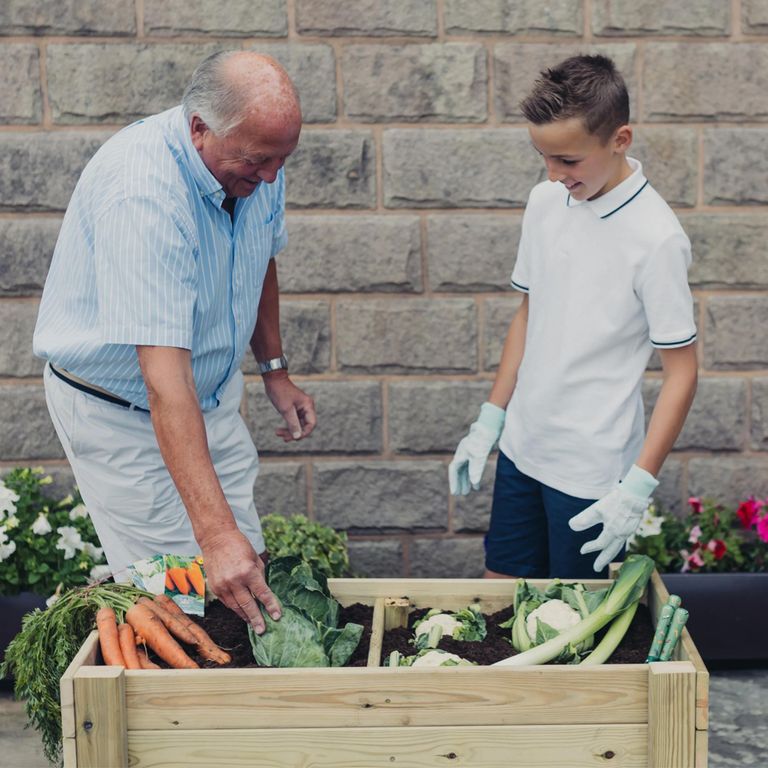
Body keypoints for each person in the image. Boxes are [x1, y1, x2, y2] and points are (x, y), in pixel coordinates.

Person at [33, 51, 317, 632]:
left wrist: (274, 369)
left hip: (208, 396)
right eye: (258, 161)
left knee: (246, 567)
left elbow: (259, 254)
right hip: (122, 413)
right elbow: (164, 382)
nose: (270, 177)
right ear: (199, 129)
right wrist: (213, 534)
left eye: (281, 160)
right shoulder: (142, 196)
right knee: (182, 594)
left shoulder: (254, 160)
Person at [448, 54, 698, 579]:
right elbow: (529, 314)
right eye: (543, 156)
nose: (554, 174)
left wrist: (638, 486)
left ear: (620, 140)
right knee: (499, 600)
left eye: (568, 160)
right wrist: (490, 418)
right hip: (522, 448)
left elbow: (682, 372)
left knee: (575, 619)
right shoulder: (544, 203)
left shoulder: (658, 239)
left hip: (590, 472)